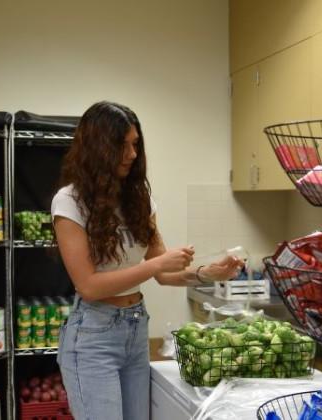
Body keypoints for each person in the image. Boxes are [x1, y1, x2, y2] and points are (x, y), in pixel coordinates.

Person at [51, 101, 243, 420]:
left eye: (135, 144)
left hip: (136, 329)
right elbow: (88, 286)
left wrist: (209, 273)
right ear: (98, 148)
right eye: (122, 146)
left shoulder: (138, 199)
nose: (132, 154)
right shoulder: (69, 202)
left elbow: (166, 272)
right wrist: (154, 266)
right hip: (93, 338)